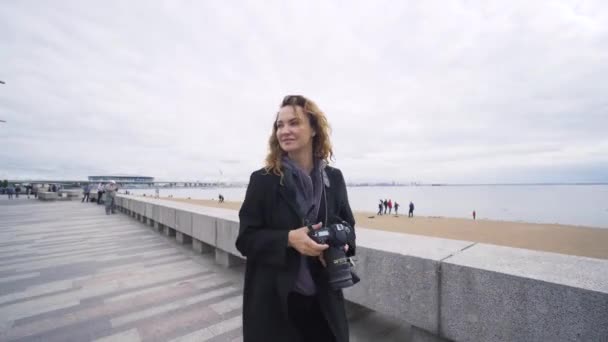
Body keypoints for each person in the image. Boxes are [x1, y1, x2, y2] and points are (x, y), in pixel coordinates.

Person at [235, 95, 356, 342]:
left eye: (294, 123)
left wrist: (341, 243)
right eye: (280, 125)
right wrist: (288, 239)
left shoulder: (334, 178)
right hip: (276, 305)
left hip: (324, 301)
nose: (285, 131)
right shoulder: (263, 180)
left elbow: (349, 229)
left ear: (313, 129)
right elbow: (245, 240)